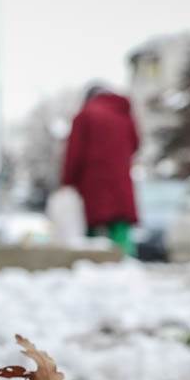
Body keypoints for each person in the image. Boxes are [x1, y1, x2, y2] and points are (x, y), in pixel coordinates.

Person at [61, 83, 140, 256]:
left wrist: (67, 182)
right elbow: (135, 144)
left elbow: (74, 154)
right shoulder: (124, 115)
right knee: (120, 225)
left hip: (93, 183)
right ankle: (125, 260)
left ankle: (92, 263)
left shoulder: (85, 115)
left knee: (92, 227)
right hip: (121, 183)